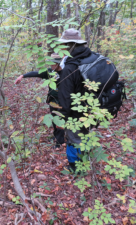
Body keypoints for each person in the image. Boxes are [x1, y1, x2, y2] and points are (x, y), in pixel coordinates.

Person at [56, 28, 96, 172]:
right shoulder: (92, 58)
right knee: (86, 135)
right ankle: (86, 161)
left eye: (64, 44)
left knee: (73, 139)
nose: (62, 47)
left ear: (70, 45)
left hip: (76, 112)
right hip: (94, 109)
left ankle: (76, 168)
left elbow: (65, 98)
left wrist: (64, 118)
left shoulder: (70, 67)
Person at [14, 53, 65, 150]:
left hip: (62, 102)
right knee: (54, 120)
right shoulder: (50, 72)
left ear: (58, 64)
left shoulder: (67, 73)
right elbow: (36, 73)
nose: (50, 65)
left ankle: (60, 142)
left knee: (59, 121)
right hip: (52, 101)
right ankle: (56, 137)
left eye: (52, 63)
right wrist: (22, 76)